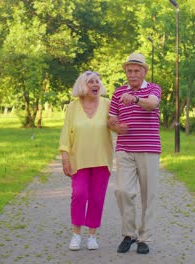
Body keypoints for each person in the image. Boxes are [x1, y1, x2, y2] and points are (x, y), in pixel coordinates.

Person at [107, 52, 162, 254]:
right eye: (129, 71)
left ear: (144, 71)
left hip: (149, 149)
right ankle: (128, 235)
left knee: (149, 195)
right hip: (125, 149)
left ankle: (144, 238)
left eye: (136, 70)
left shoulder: (153, 89)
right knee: (122, 191)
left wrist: (136, 99)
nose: (132, 74)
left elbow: (152, 104)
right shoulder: (118, 93)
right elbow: (111, 119)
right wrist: (115, 127)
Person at [59, 71, 113, 251]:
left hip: (101, 159)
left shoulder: (107, 104)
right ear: (83, 86)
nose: (95, 85)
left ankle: (92, 236)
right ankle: (76, 234)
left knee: (97, 198)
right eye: (90, 82)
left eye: (97, 82)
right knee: (79, 194)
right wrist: (65, 156)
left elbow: (117, 124)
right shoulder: (73, 107)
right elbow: (66, 133)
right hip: (78, 159)